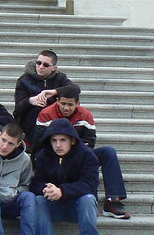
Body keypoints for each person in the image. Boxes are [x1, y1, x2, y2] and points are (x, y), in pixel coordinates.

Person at [35, 83, 130, 219]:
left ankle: (112, 201)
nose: (66, 108)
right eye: (63, 103)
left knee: (108, 152)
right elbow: (40, 142)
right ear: (57, 101)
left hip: (79, 155)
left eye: (70, 104)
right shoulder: (46, 114)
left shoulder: (85, 115)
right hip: (52, 155)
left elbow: (90, 140)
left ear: (77, 103)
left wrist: (75, 148)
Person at [30, 118, 103, 235]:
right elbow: (35, 184)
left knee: (88, 198)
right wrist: (47, 189)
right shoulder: (44, 155)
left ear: (72, 141)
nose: (58, 145)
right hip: (52, 206)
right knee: (38, 199)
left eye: (63, 140)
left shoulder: (87, 155)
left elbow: (90, 184)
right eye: (54, 140)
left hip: (77, 208)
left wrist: (62, 191)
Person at [13, 50, 71, 146]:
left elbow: (74, 89)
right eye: (38, 63)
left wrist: (53, 92)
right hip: (30, 119)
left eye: (46, 65)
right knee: (37, 108)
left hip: (53, 117)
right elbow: (18, 108)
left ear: (54, 68)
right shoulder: (24, 80)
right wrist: (31, 101)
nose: (40, 67)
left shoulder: (59, 78)